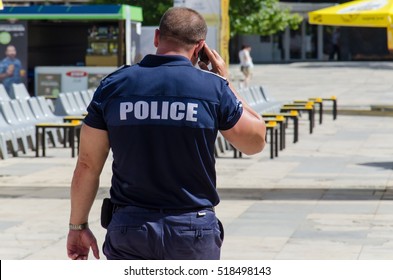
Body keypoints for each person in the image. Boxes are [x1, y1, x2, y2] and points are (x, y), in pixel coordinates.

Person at [66, 7, 266, 260]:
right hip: (192, 228)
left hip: (130, 227)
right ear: (200, 47)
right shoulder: (212, 89)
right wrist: (225, 81)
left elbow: (87, 165)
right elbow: (255, 142)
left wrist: (78, 226)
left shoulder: (114, 86)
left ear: (157, 37)